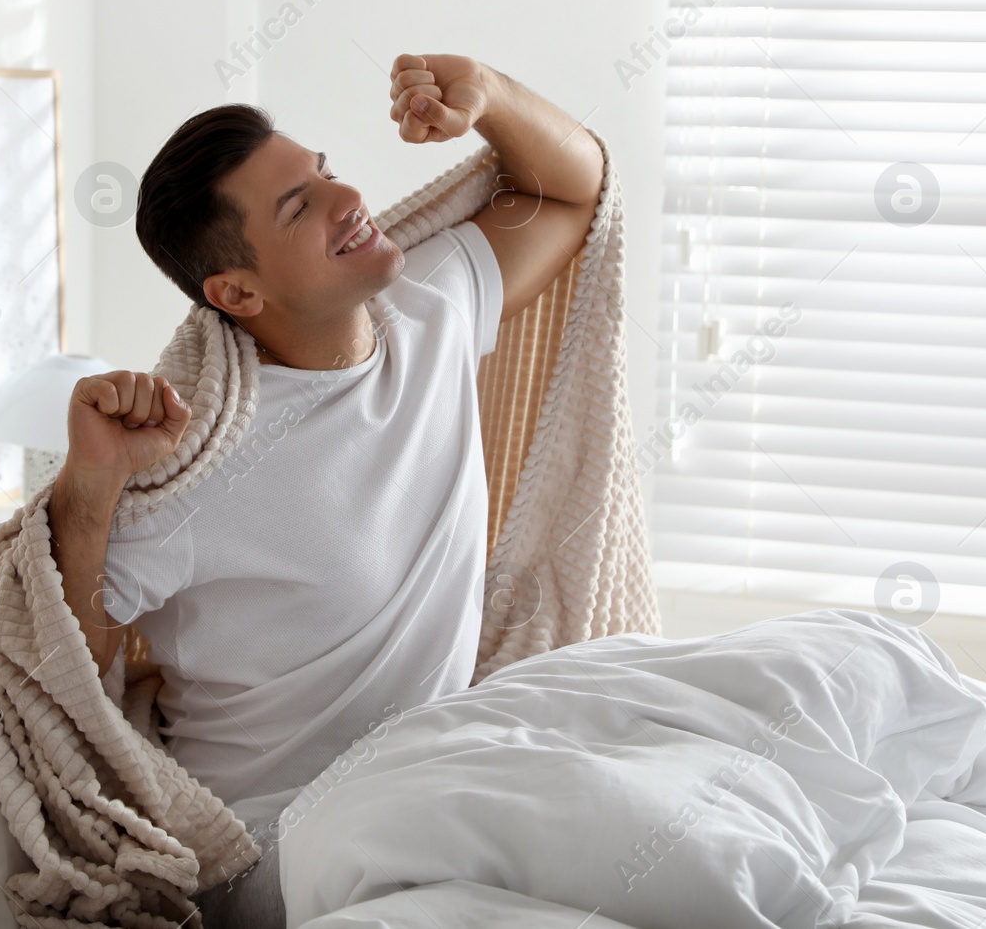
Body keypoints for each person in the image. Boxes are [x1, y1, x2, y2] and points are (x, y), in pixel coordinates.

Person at [47, 50, 600, 861]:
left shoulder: (431, 309)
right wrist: (90, 479)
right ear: (237, 293)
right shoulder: (197, 461)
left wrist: (488, 94)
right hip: (271, 847)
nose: (349, 197)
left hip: (425, 790)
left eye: (326, 169)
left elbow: (570, 193)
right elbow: (69, 666)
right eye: (300, 205)